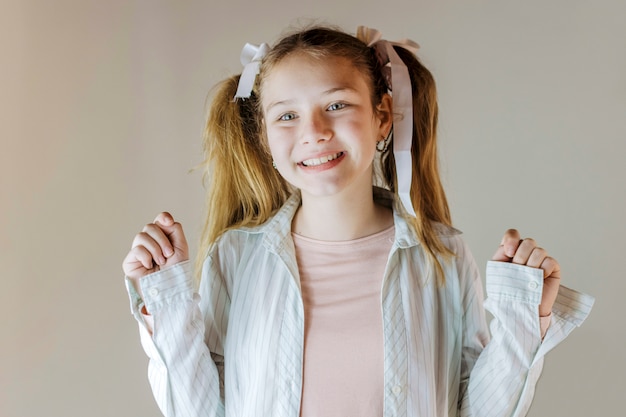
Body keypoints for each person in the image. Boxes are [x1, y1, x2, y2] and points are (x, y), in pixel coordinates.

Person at [122, 25, 594, 417]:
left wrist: (524, 319)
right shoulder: (235, 258)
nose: (314, 132)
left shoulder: (442, 257)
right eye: (287, 115)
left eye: (336, 105)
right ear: (265, 138)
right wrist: (166, 302)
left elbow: (476, 409)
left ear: (383, 116)